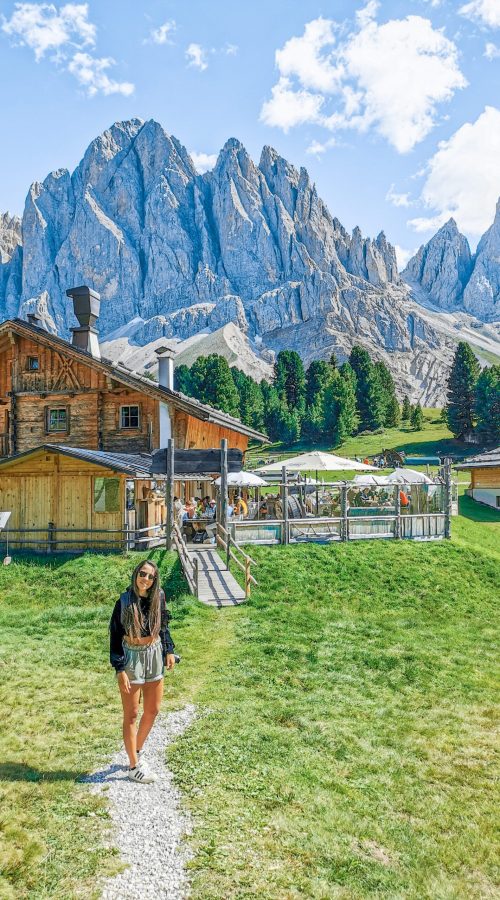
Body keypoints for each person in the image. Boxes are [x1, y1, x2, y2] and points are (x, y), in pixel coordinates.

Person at [109, 560, 175, 784]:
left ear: (155, 580)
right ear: (136, 574)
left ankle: (136, 750)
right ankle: (133, 766)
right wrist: (120, 669)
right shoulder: (124, 601)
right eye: (142, 574)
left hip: (154, 652)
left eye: (150, 577)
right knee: (132, 714)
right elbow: (115, 636)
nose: (145, 580)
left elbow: (163, 627)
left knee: (153, 710)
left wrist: (169, 650)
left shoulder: (159, 597)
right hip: (131, 656)